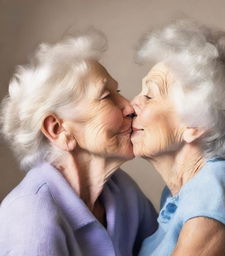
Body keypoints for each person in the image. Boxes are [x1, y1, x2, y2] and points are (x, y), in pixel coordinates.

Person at [0, 29, 157, 256]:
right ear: (58, 129)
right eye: (106, 96)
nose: (129, 106)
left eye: (118, 91)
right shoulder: (32, 218)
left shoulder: (122, 190)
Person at [131, 19, 225, 256]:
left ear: (195, 124)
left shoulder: (212, 195)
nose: (131, 104)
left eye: (149, 95)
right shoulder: (186, 192)